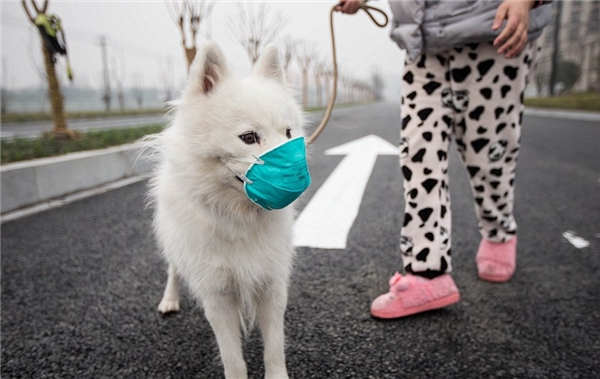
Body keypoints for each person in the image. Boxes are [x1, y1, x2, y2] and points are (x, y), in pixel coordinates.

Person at [335, 0, 552, 319]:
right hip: (424, 44)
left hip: (492, 33)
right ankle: (427, 272)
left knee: (491, 157)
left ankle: (498, 231)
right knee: (418, 156)